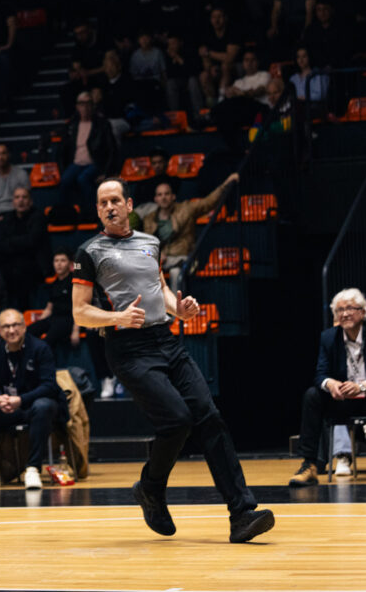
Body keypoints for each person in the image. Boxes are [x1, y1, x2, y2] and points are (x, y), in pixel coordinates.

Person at [71, 179, 274, 543]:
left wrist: (178, 310)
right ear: (98, 210)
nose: (109, 207)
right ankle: (151, 488)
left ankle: (242, 513)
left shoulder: (151, 242)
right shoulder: (90, 252)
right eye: (102, 203)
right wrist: (116, 319)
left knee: (210, 417)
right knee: (178, 421)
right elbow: (80, 312)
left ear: (129, 204)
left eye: (115, 200)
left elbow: (158, 287)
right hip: (128, 349)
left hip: (166, 340)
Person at [289, 288, 366, 487]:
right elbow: (320, 374)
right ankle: (309, 464)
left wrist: (362, 387)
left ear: (362, 312)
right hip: (341, 401)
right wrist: (330, 383)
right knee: (312, 395)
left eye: (350, 308)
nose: (344, 313)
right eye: (339, 310)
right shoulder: (328, 338)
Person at [0, 308, 60, 490]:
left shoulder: (40, 348)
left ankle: (33, 468)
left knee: (44, 406)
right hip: (6, 407)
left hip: (31, 406)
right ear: (0, 331)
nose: (11, 330)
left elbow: (49, 386)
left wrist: (21, 400)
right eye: (6, 326)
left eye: (16, 325)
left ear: (24, 327)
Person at [143, 173, 240, 290]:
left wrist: (225, 184)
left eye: (167, 194)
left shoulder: (186, 209)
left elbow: (208, 202)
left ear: (173, 196)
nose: (163, 197)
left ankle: (176, 307)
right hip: (162, 261)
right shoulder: (149, 219)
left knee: (175, 272)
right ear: (156, 199)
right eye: (160, 195)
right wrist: (158, 255)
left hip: (183, 257)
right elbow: (147, 246)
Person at [57, 91, 118, 221]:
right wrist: (63, 170)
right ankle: (65, 215)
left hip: (95, 163)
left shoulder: (102, 124)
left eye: (88, 103)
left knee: (83, 179)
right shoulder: (72, 125)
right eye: (81, 104)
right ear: (77, 106)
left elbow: (112, 149)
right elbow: (62, 150)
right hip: (76, 163)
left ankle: (91, 214)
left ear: (92, 106)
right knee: (64, 180)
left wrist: (105, 172)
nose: (85, 107)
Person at [0, 143, 29, 219]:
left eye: (3, 153)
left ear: (9, 155)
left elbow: (27, 201)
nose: (1, 157)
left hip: (18, 215)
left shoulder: (21, 174)